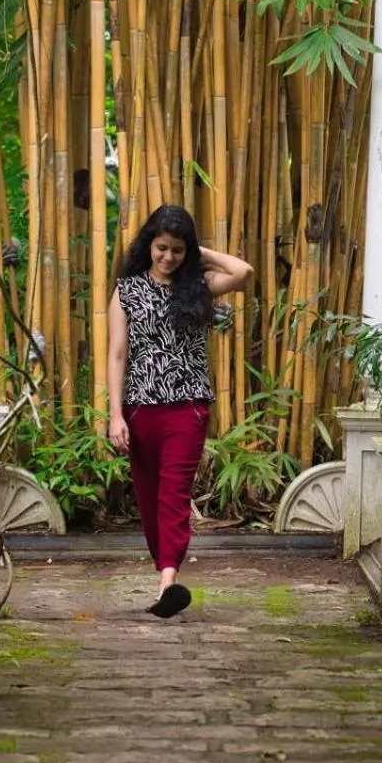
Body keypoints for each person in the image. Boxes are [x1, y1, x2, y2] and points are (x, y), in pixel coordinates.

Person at [106, 204, 254, 618]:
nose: (168, 257)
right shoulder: (127, 289)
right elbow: (117, 354)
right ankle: (164, 570)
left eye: (177, 250)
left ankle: (168, 580)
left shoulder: (200, 284)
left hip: (187, 407)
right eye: (161, 248)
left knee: (173, 495)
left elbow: (244, 274)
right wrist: (115, 415)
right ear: (148, 246)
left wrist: (201, 250)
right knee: (149, 499)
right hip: (139, 408)